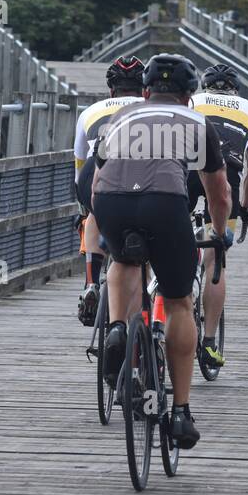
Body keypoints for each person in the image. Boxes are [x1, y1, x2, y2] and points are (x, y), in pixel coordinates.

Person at [91, 54, 232, 449]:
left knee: (124, 260)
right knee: (179, 301)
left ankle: (118, 328)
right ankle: (182, 412)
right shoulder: (196, 122)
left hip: (111, 203)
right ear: (190, 96)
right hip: (165, 204)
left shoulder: (120, 118)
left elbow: (96, 180)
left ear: (147, 90)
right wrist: (218, 234)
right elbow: (218, 192)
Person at [188, 64, 248, 368]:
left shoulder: (192, 100)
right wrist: (244, 205)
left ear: (205, 86)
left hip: (184, 171)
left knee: (167, 240)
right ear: (236, 89)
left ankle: (158, 311)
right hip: (225, 175)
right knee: (215, 260)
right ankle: (208, 343)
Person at [74, 56, 144, 326]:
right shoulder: (153, 107)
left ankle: (91, 281)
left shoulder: (91, 111)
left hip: (97, 170)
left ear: (111, 89)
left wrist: (82, 206)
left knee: (93, 213)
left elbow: (79, 162)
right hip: (142, 173)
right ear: (144, 88)